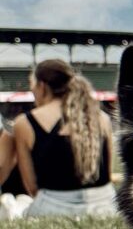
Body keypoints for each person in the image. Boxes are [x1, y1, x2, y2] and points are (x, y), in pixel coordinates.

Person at [13, 59, 117, 216]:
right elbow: (107, 175)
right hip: (106, 205)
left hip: (52, 206)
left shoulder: (24, 123)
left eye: (32, 85)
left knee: (18, 203)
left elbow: (32, 186)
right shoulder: (102, 118)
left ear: (41, 86)